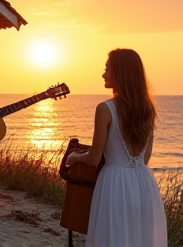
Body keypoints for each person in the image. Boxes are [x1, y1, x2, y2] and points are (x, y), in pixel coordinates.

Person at [66, 48, 167, 247]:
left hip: (114, 184)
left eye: (107, 69)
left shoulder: (105, 109)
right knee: (138, 238)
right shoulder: (148, 109)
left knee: (114, 238)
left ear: (121, 73)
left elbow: (94, 159)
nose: (103, 74)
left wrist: (74, 158)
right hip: (143, 183)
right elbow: (144, 159)